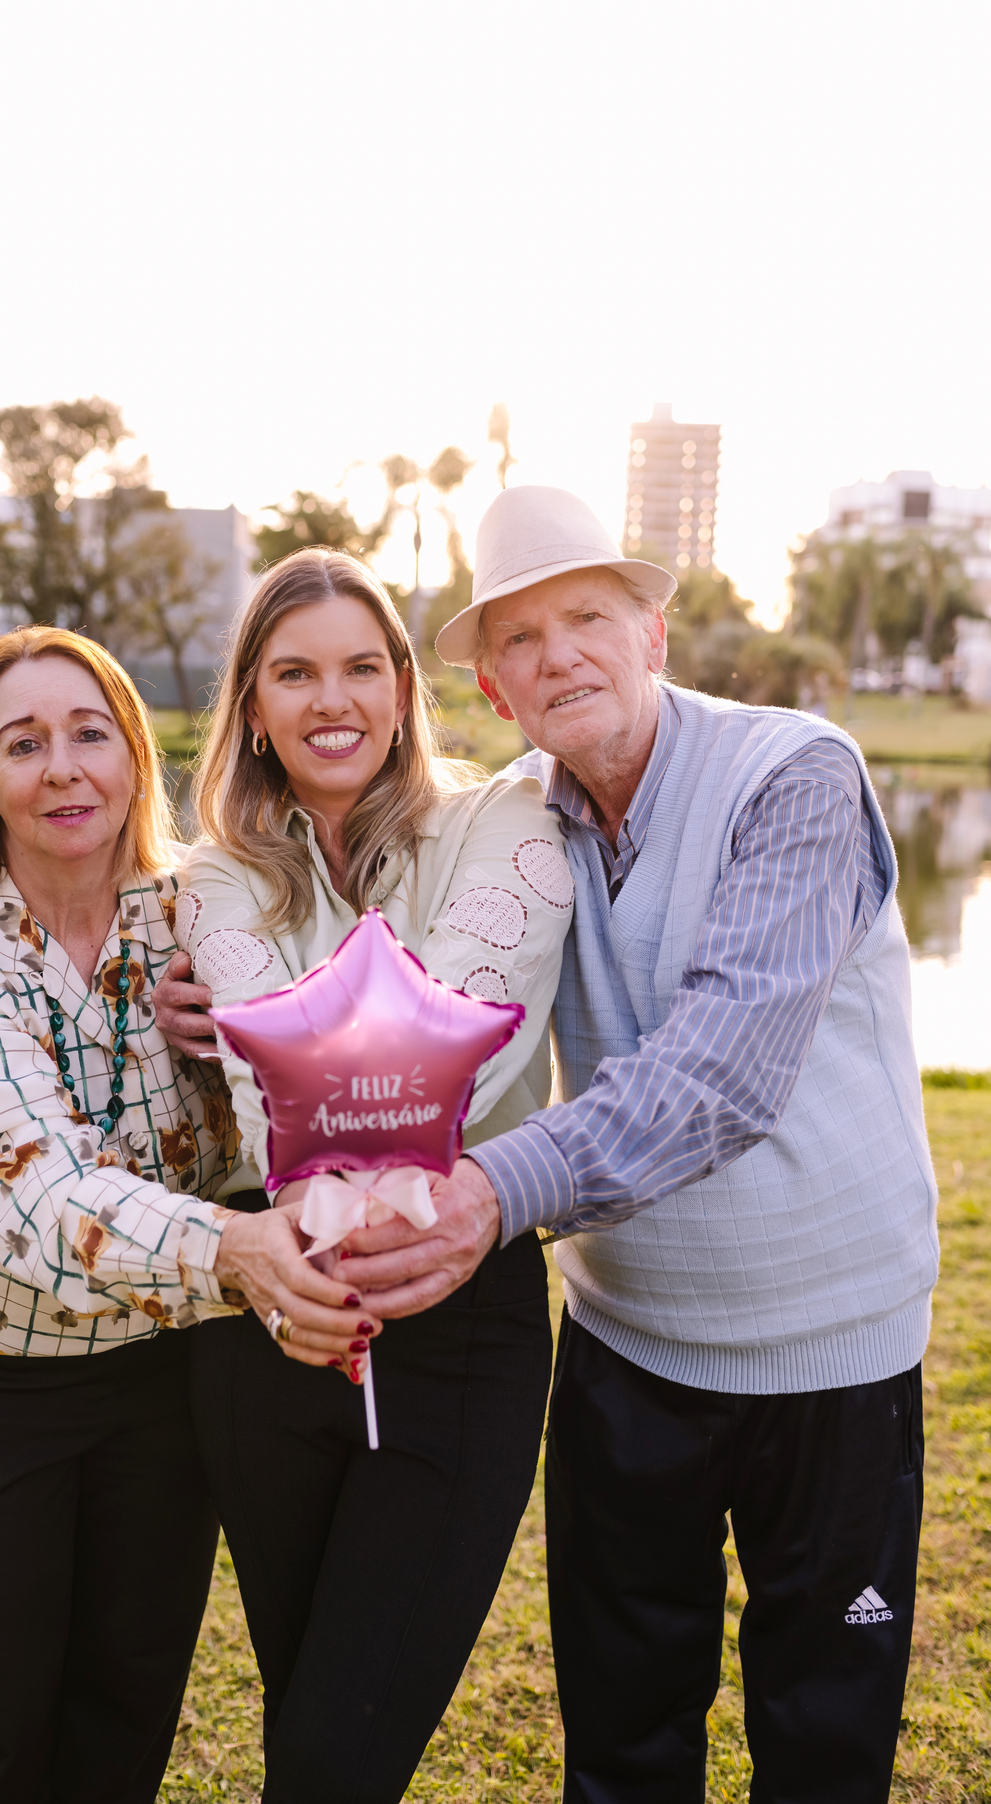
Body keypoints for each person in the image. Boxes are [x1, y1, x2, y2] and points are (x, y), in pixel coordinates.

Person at [337, 487, 938, 1802]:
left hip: (830, 1353)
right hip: (627, 1349)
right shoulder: (515, 819)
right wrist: (211, 994)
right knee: (620, 1744)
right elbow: (413, 994)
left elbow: (723, 1074)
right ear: (494, 687)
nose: (560, 654)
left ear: (654, 635)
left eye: (589, 618)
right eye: (523, 638)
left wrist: (492, 1188)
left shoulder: (796, 776)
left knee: (823, 1748)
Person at [0, 625, 368, 1804]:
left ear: (136, 759)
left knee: (128, 1698)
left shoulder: (199, 916)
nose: (63, 768)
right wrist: (242, 1251)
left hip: (162, 1358)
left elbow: (299, 1107)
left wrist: (242, 1042)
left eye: (90, 734)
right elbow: (33, 1193)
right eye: (25, 743)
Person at [153, 547, 571, 1803]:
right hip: (271, 1326)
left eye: (358, 666)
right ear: (254, 704)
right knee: (311, 1725)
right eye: (293, 672)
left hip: (458, 1320)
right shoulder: (218, 870)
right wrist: (252, 1047)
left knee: (337, 1752)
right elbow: (253, 1076)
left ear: (400, 686)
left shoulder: (506, 817)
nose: (329, 699)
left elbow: (410, 1051)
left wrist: (269, 1037)